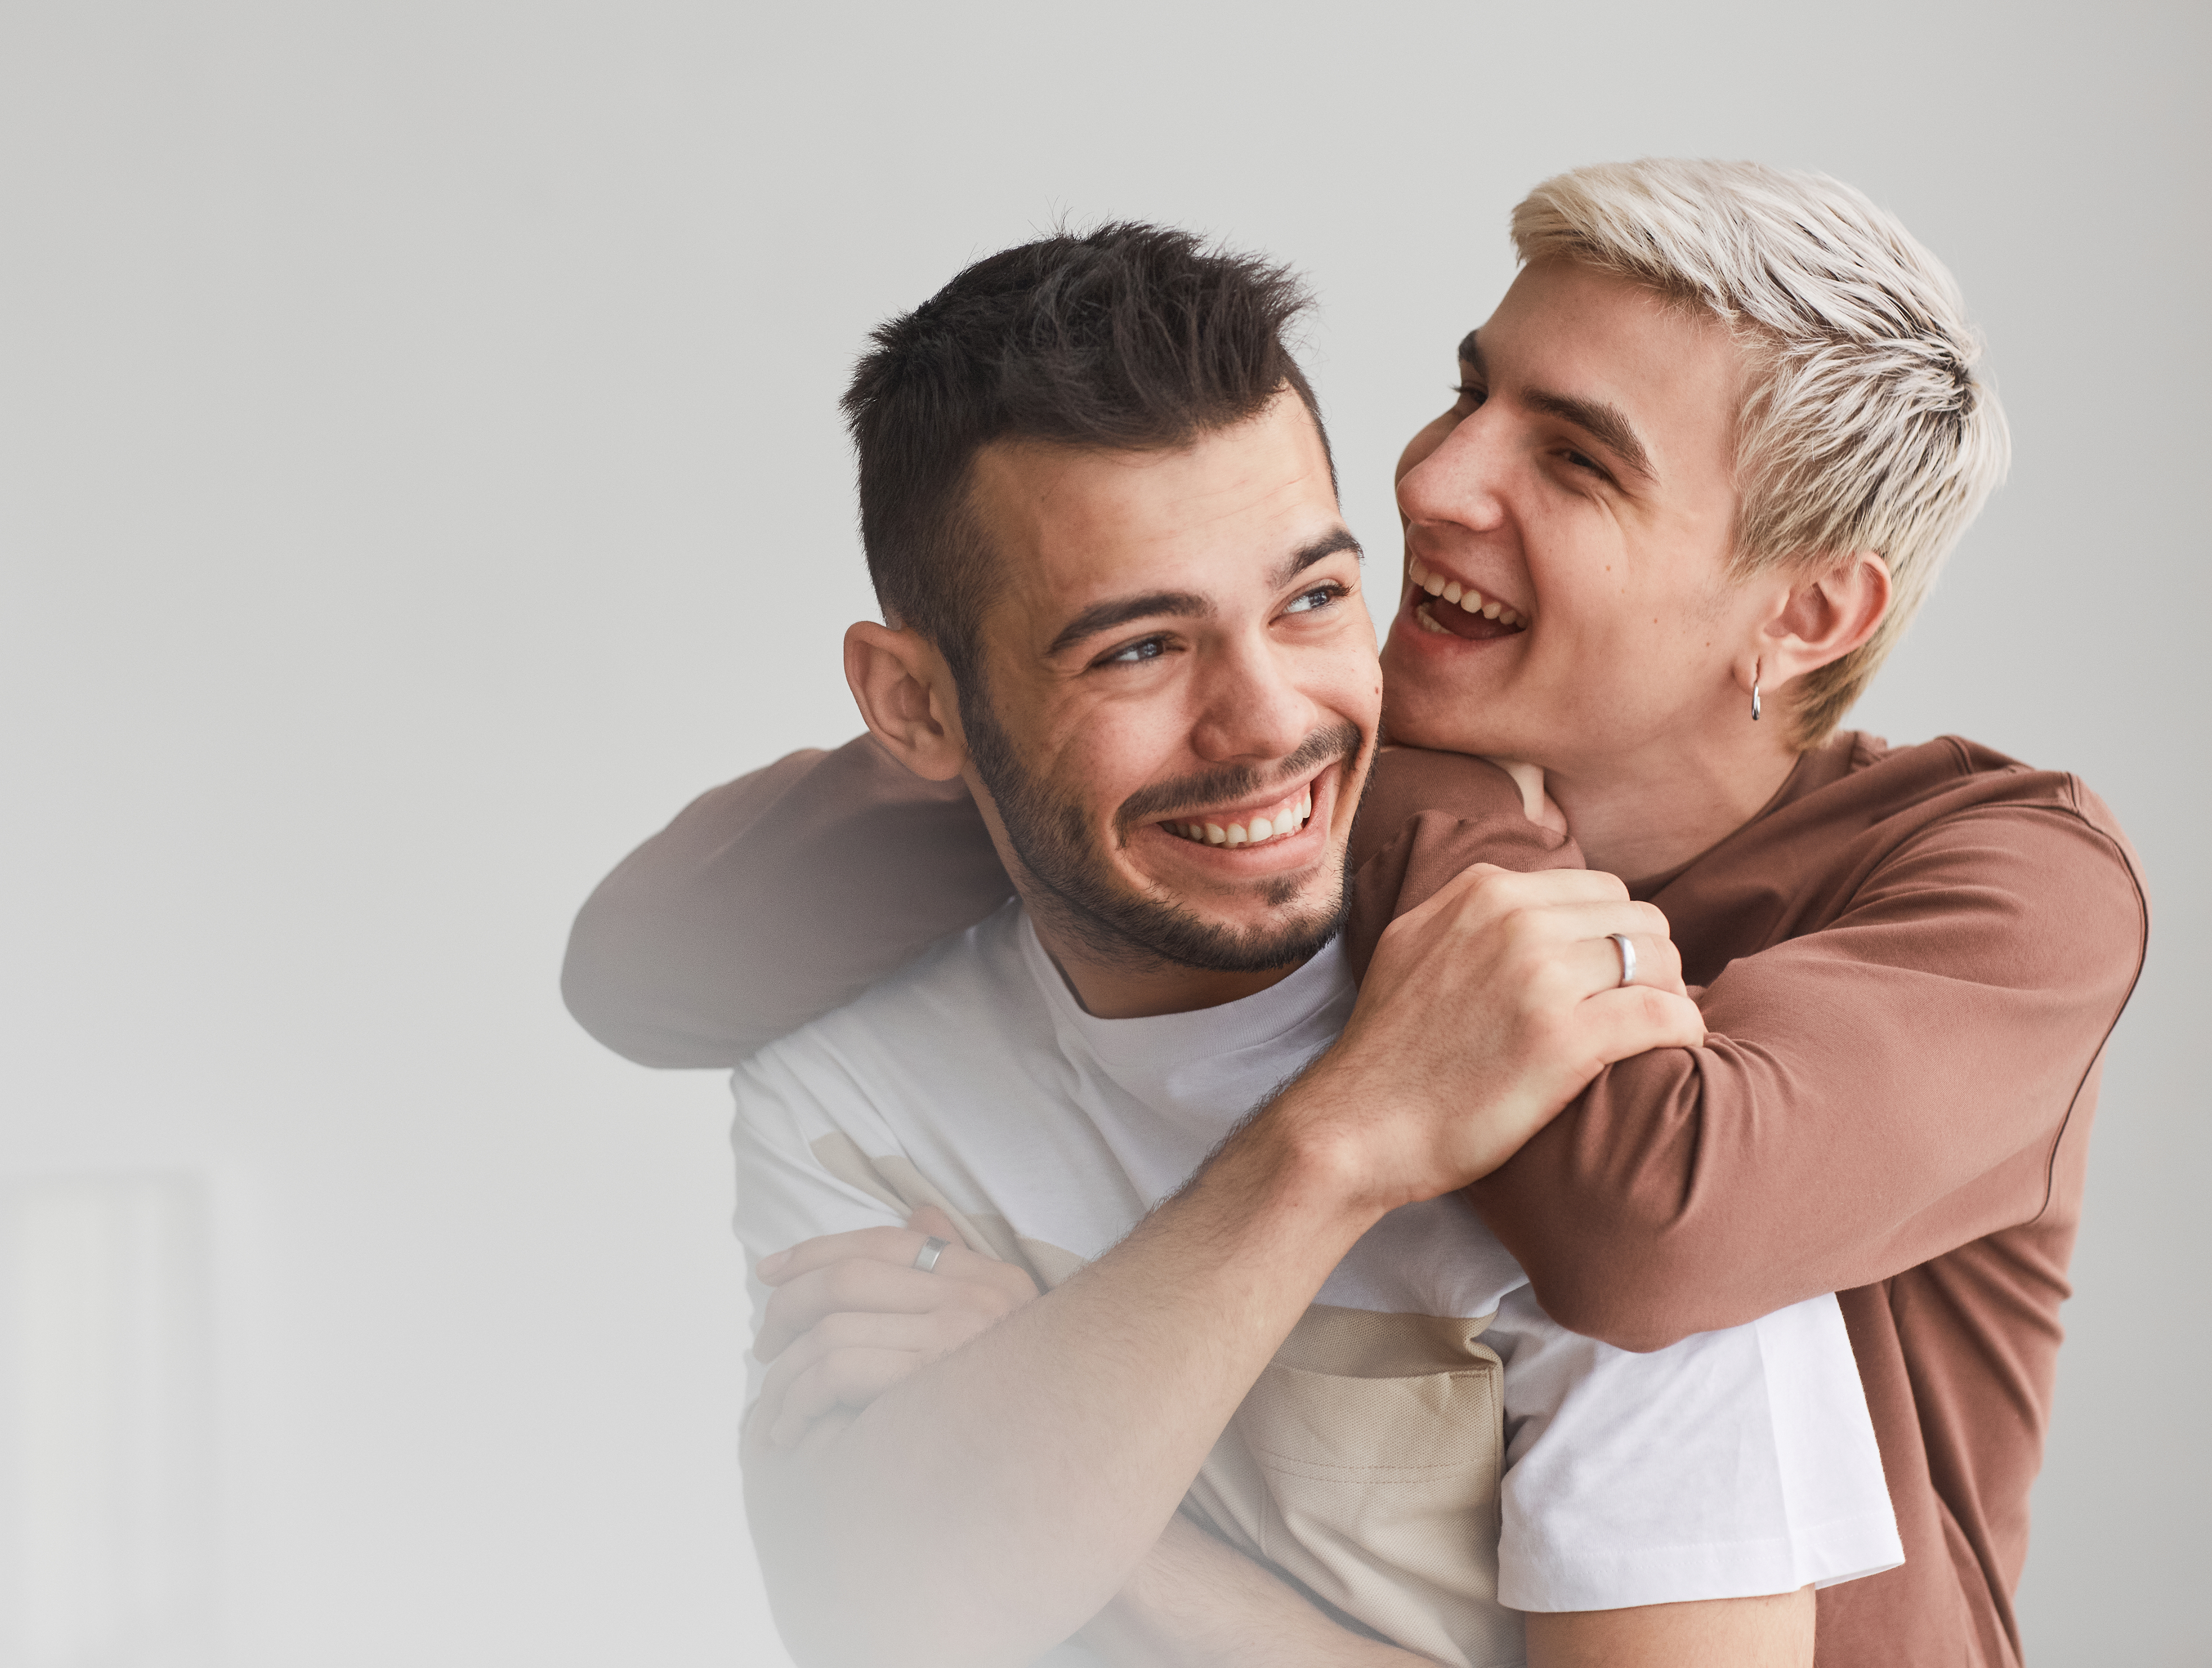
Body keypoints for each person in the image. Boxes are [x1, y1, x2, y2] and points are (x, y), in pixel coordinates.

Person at [564, 161, 2148, 1668]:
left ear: (1807, 611)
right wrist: (1021, 725)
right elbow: (661, 968)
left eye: (1577, 458)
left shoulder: (2013, 881)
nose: (1439, 478)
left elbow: (1656, 1219)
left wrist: (1386, 786)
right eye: (1472, 390)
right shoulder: (1295, 757)